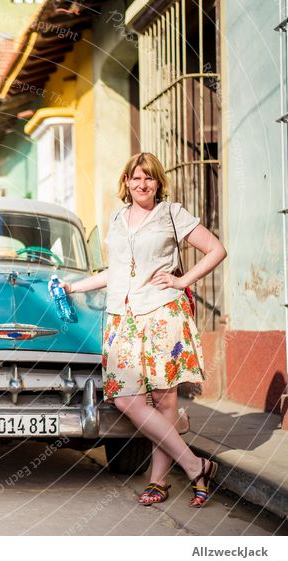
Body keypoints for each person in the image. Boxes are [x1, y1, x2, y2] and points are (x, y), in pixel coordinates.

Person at [58, 152, 227, 508]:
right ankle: (196, 465)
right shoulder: (118, 218)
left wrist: (182, 280)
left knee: (165, 400)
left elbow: (215, 249)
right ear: (127, 182)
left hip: (162, 312)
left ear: (157, 182)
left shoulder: (171, 213)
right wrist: (76, 288)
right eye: (136, 178)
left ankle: (159, 481)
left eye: (148, 178)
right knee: (126, 399)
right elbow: (115, 272)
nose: (142, 184)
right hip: (123, 317)